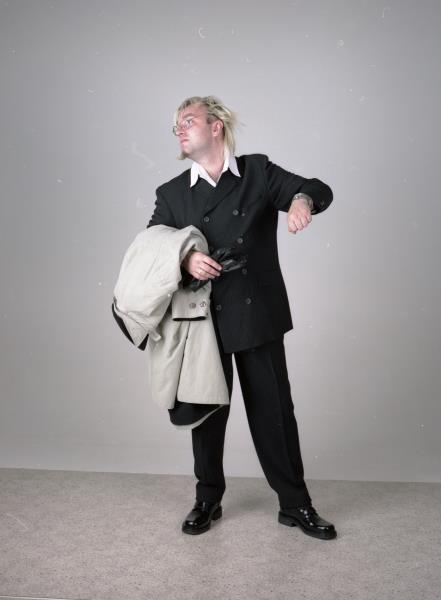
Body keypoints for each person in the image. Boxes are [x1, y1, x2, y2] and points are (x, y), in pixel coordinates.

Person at [147, 95, 337, 540]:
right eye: (175, 125)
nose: (179, 129)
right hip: (201, 319)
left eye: (188, 120)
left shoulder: (257, 172)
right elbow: (151, 248)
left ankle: (295, 504)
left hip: (257, 314)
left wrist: (301, 201)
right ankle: (207, 499)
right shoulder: (171, 193)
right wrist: (185, 259)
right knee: (206, 415)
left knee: (275, 412)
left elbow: (318, 187)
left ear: (216, 126)